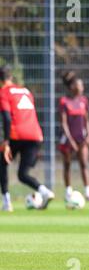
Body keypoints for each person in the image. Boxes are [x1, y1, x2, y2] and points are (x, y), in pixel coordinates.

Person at [0, 65, 55, 212]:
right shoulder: (26, 91)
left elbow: (6, 117)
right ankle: (45, 191)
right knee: (23, 174)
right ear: (11, 77)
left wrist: (5, 141)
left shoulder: (4, 92)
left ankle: (7, 202)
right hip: (36, 135)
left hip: (17, 134)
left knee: (2, 163)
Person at [58, 71, 89, 202]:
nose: (82, 88)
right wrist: (70, 140)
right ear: (72, 86)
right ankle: (68, 192)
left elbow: (87, 120)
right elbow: (63, 122)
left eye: (82, 86)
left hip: (81, 138)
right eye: (79, 86)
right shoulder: (64, 101)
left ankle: (88, 192)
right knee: (67, 165)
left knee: (84, 163)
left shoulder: (84, 101)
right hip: (68, 138)